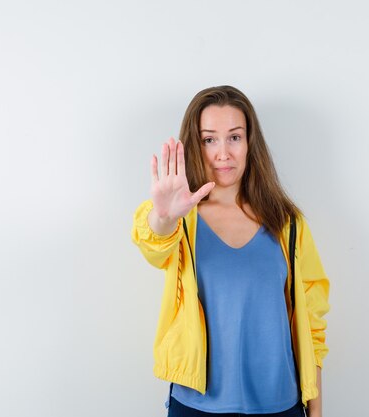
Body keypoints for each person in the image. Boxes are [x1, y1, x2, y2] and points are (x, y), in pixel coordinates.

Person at [131, 86, 330, 417]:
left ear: (250, 143)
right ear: (196, 145)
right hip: (196, 407)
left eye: (234, 137)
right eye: (210, 139)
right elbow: (153, 243)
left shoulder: (288, 224)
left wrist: (317, 412)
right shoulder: (182, 221)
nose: (223, 153)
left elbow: (312, 326)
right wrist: (164, 216)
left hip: (280, 406)